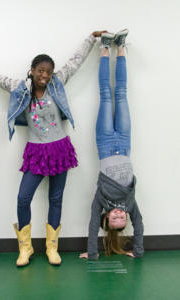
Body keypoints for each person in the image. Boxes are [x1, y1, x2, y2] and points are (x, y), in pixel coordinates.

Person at [0, 30, 106, 266]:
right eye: (41, 70)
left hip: (60, 149)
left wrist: (91, 39)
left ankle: (52, 248)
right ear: (32, 70)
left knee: (56, 199)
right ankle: (26, 248)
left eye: (49, 72)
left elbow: (75, 62)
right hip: (36, 151)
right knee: (23, 199)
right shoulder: (20, 88)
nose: (45, 75)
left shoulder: (57, 83)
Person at [79, 29, 144, 260]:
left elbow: (91, 223)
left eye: (113, 219)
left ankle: (105, 47)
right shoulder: (130, 203)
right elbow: (140, 224)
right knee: (122, 94)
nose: (119, 215)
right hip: (125, 143)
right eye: (121, 219)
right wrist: (137, 251)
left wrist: (93, 253)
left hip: (106, 143)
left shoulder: (101, 200)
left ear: (106, 218)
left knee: (107, 94)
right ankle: (121, 47)